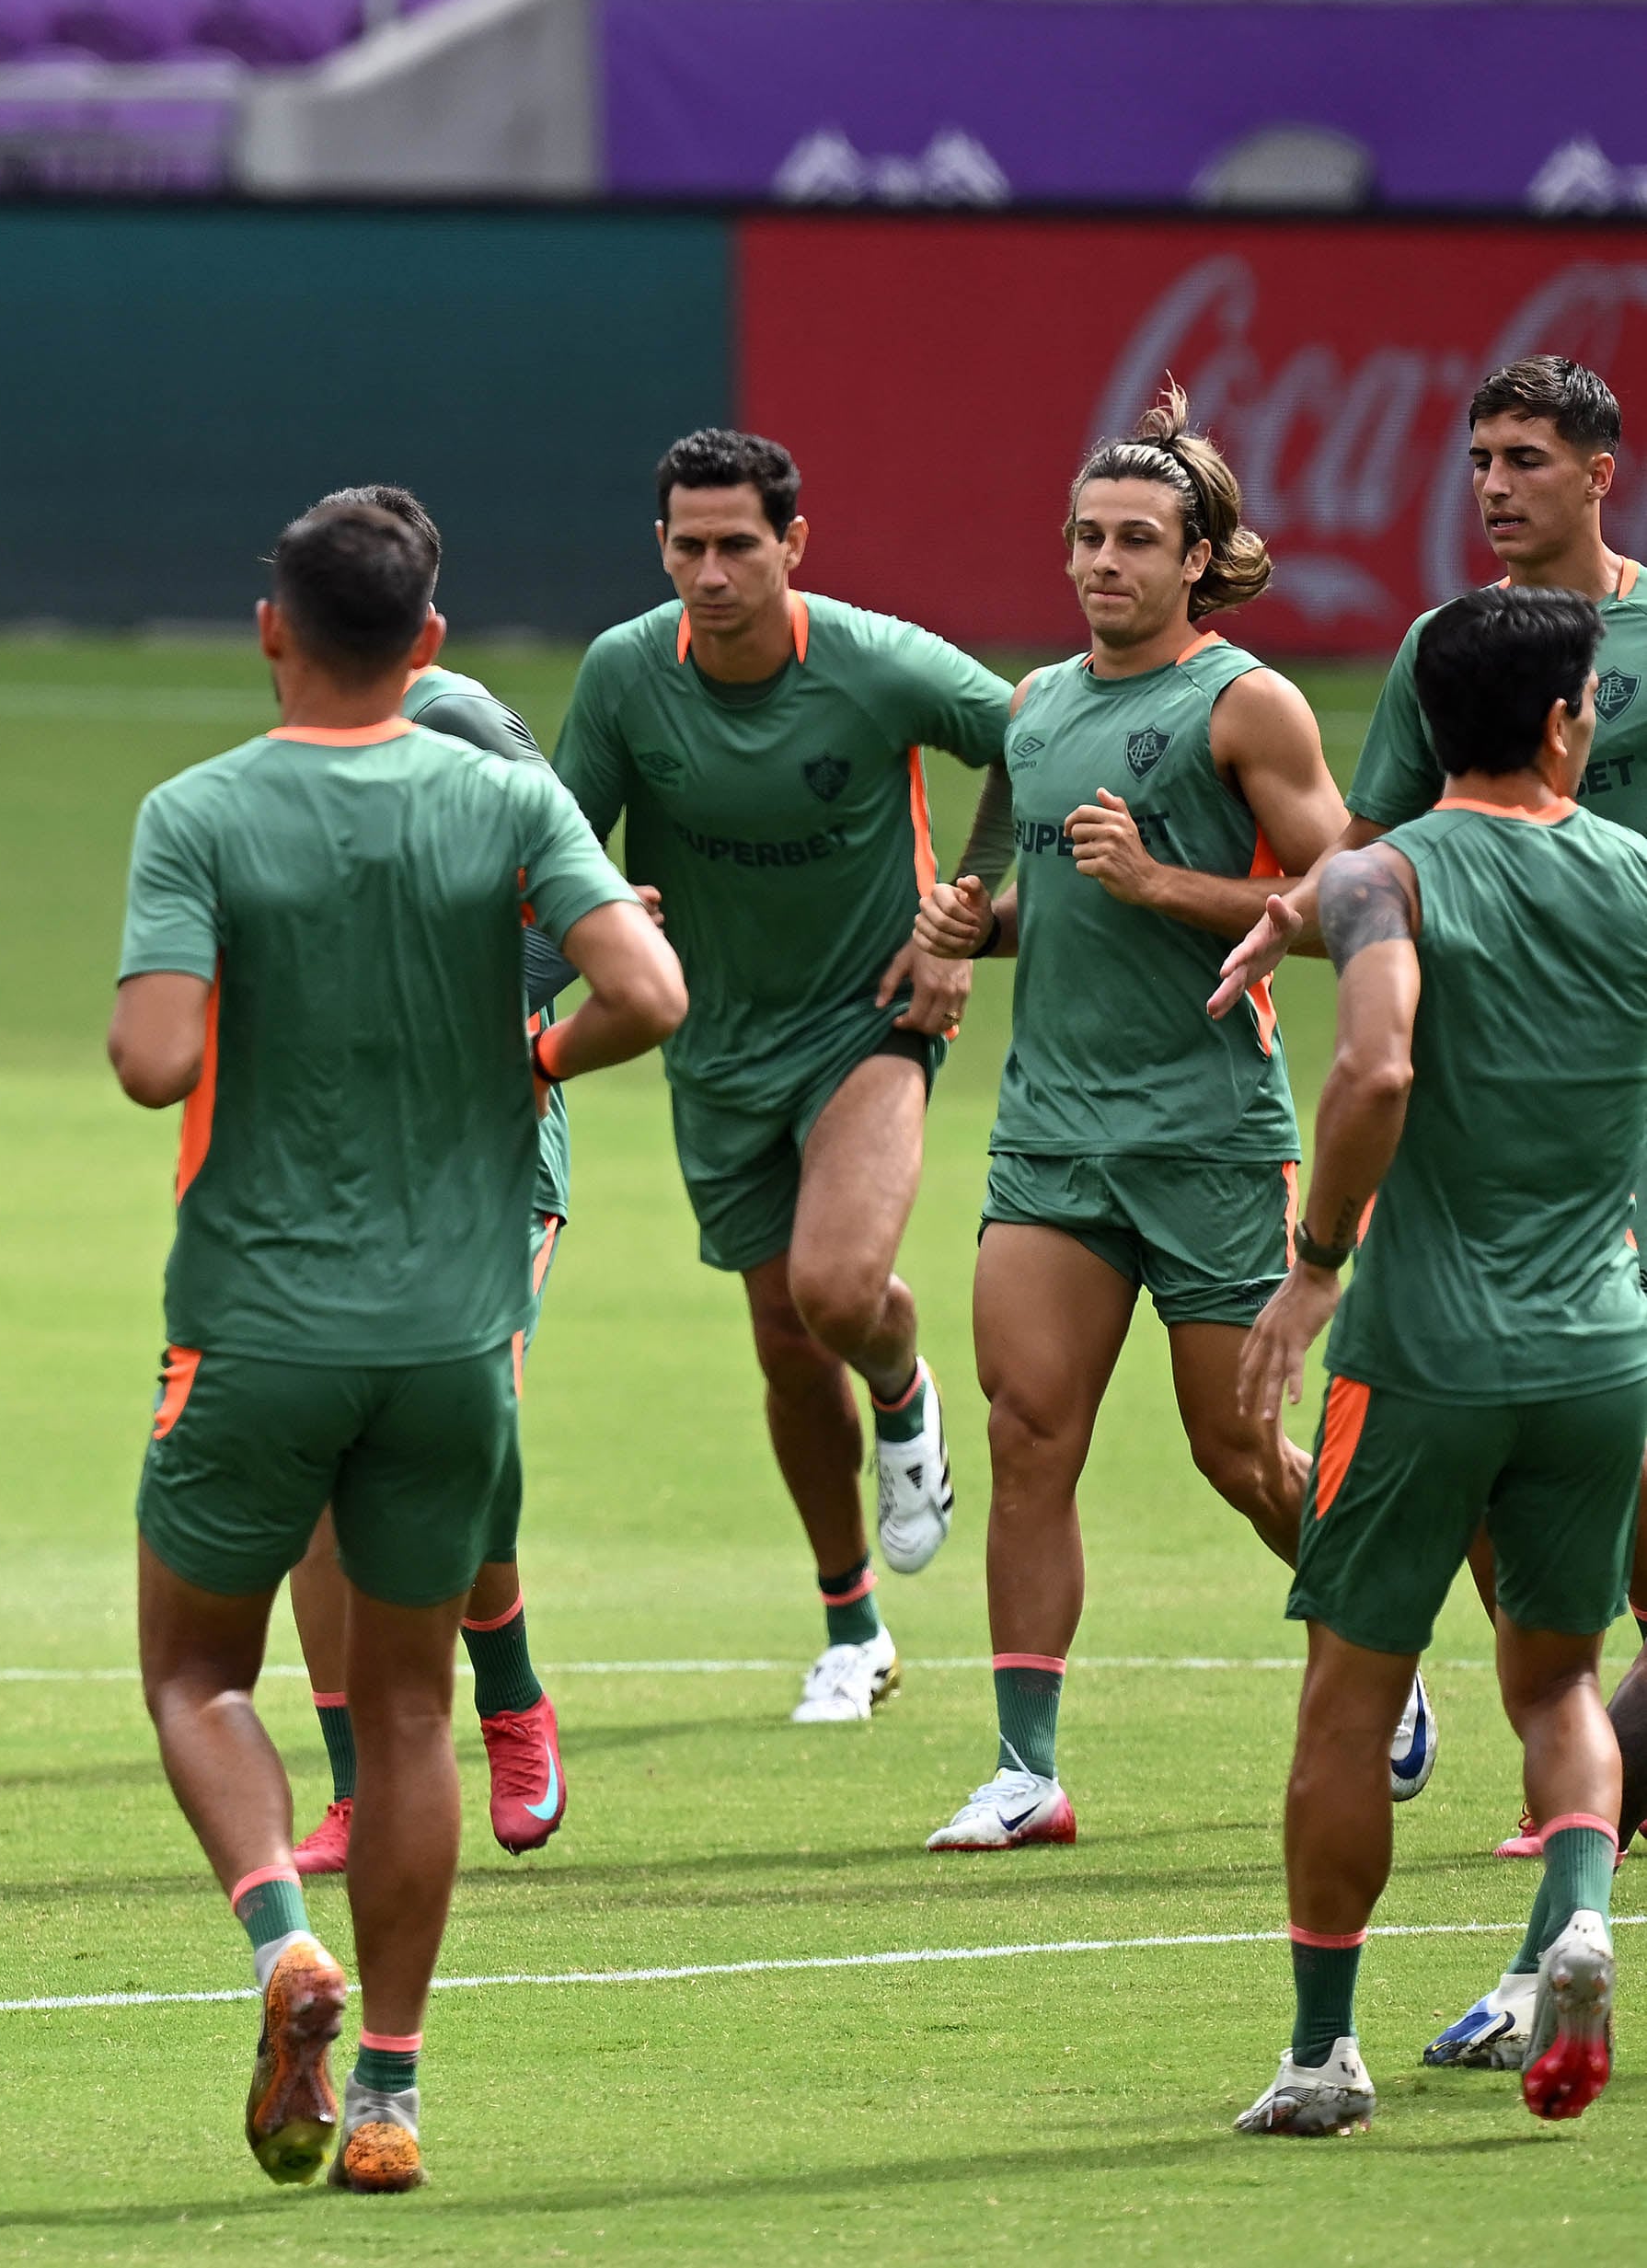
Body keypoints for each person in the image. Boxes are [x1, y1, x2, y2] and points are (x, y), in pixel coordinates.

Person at [115, 497, 686, 2193]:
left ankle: (284, 1943)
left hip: (256, 1321)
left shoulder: (199, 811)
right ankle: (387, 2094)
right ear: (429, 646)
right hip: (451, 1330)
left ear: (269, 631)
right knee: (418, 1712)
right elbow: (647, 992)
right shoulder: (508, 795)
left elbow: (153, 1059)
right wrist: (528, 1053)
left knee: (196, 1673)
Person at [1222, 588, 1638, 2137]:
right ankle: (1578, 1913)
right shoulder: (1636, 873)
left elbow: (1377, 1058)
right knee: (1561, 1678)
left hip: (1421, 1351)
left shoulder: (1391, 877)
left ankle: (1322, 2056)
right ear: (1558, 721)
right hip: (1599, 1343)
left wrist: (1312, 1264)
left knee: (1348, 1695)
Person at [905, 395, 1347, 1853]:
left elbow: (1350, 901)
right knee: (1029, 1433)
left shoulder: (1245, 704)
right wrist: (971, 922)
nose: (1102, 561)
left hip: (1208, 1131)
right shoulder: (1031, 707)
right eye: (1086, 536)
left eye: (1135, 539)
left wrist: (1169, 885)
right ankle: (1025, 1766)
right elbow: (1011, 879)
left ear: (1197, 554)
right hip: (1049, 1137)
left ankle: (1372, 1645)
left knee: (1238, 1454)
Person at [556, 430, 1009, 1726]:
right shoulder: (625, 675)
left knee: (834, 1286)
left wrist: (960, 915)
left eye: (735, 545)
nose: (708, 571)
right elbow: (555, 833)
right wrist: (595, 904)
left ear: (791, 545)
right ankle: (849, 1624)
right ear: (660, 548)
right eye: (686, 545)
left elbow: (1029, 734)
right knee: (780, 1339)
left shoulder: (872, 662)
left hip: (867, 1018)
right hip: (708, 1042)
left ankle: (904, 1384)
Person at [1250, 356, 1641, 1849]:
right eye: (1478, 456)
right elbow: (1364, 843)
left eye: (1525, 458)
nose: (1491, 482)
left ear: (1598, 470)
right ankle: (1577, 1862)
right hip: (1514, 1115)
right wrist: (1290, 916)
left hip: (1602, 1104)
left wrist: (1313, 1260)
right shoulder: (1443, 645)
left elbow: (1371, 1040)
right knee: (1546, 1533)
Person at [269, 490, 582, 1879]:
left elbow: (596, 916)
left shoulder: (457, 721)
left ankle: (509, 1699)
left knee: (457, 1431)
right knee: (319, 1477)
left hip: (484, 1155)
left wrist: (502, 1034)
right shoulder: (276, 766)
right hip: (335, 1168)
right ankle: (354, 1789)